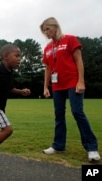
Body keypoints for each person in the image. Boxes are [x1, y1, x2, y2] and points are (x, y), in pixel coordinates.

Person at [40, 17, 100, 162]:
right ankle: (58, 145)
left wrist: (81, 81)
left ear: (55, 27)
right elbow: (48, 68)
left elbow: (79, 60)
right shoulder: (48, 48)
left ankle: (92, 148)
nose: (45, 33)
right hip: (57, 85)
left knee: (77, 112)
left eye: (47, 29)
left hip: (73, 82)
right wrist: (46, 87)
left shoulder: (70, 39)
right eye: (43, 31)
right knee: (58, 114)